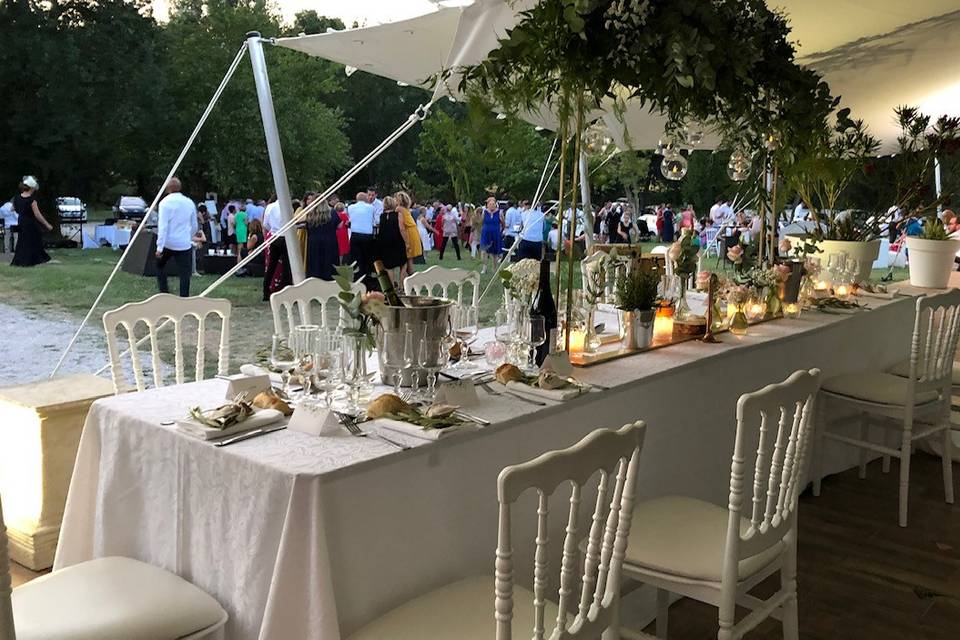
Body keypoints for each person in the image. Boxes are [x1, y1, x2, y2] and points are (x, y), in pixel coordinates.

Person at [155, 177, 199, 297]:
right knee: (185, 273)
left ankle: (164, 292)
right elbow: (194, 224)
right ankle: (184, 297)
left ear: (168, 188)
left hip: (168, 243)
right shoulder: (189, 202)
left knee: (160, 266)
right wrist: (188, 237)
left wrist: (159, 247)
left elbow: (163, 226)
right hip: (183, 244)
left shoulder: (164, 203)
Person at [10, 175, 53, 267]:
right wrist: (47, 224)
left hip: (21, 221)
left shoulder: (17, 198)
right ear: (32, 188)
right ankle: (32, 260)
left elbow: (12, 209)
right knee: (34, 240)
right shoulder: (32, 200)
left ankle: (20, 260)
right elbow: (37, 215)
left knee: (22, 241)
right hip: (30, 222)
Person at [305, 195, 340, 280]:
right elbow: (339, 225)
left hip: (314, 243)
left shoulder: (310, 214)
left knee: (315, 265)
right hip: (329, 242)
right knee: (329, 265)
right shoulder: (332, 213)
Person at [375, 195, 409, 283]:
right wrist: (407, 242)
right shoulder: (398, 215)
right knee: (403, 263)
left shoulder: (382, 216)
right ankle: (401, 286)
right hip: (397, 241)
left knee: (389, 266)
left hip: (384, 242)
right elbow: (402, 229)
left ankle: (393, 287)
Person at [347, 191, 376, 282]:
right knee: (367, 256)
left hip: (355, 234)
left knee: (356, 256)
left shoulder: (350, 207)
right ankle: (366, 274)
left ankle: (358, 274)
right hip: (367, 235)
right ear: (366, 198)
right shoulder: (371, 207)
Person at [396, 191, 422, 278]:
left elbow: (401, 226)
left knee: (407, 259)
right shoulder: (406, 210)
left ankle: (411, 280)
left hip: (408, 234)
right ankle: (411, 279)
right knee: (409, 259)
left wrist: (406, 242)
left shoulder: (399, 209)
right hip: (413, 232)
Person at [480, 196, 503, 272]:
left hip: (495, 234)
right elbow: (482, 222)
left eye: (493, 204)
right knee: (484, 251)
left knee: (494, 253)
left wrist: (500, 231)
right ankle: (484, 268)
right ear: (487, 204)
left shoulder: (499, 212)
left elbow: (503, 223)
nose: (491, 205)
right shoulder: (484, 212)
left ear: (495, 204)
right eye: (490, 204)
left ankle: (494, 268)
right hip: (486, 234)